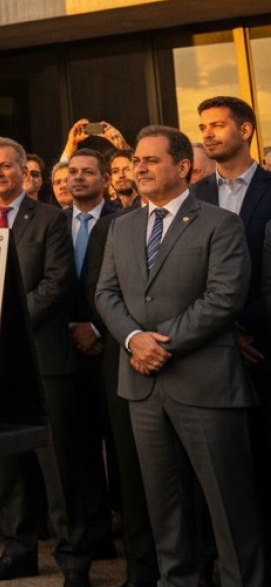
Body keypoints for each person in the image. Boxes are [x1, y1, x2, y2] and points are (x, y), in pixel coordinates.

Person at [95, 125, 264, 586]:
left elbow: (224, 297)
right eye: (137, 161)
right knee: (165, 508)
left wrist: (157, 343)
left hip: (205, 384)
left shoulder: (219, 224)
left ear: (183, 167)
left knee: (229, 509)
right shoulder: (121, 226)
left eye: (151, 160)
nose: (140, 168)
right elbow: (106, 294)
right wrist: (133, 340)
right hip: (143, 389)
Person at [0, 137, 92, 586]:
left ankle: (74, 561)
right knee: (8, 465)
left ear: (23, 170)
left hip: (43, 359)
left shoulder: (51, 219)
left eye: (6, 166)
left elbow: (58, 284)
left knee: (57, 467)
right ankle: (19, 550)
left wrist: (6, 324)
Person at [64, 149, 158, 586]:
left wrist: (99, 331)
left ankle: (139, 554)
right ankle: (95, 538)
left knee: (125, 456)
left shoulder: (121, 221)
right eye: (72, 172)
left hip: (116, 350)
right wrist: (72, 326)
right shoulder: (52, 221)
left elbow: (112, 288)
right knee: (79, 453)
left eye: (88, 172)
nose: (78, 179)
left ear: (105, 179)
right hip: (65, 353)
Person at [192, 94, 271, 551]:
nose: (207, 134)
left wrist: (243, 328)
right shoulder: (194, 197)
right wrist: (222, 331)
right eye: (203, 127)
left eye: (218, 125)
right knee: (218, 476)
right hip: (207, 356)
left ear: (245, 130)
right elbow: (183, 276)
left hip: (263, 350)